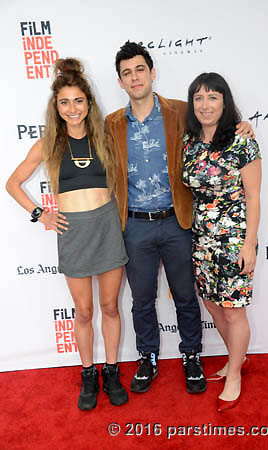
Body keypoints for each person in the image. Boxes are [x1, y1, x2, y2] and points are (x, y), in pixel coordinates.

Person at [104, 41, 254, 394]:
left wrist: (242, 124)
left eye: (140, 69)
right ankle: (147, 357)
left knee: (186, 295)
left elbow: (215, 117)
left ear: (152, 73)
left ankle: (191, 356)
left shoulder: (181, 111)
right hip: (135, 224)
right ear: (121, 81)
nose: (135, 77)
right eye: (127, 73)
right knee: (141, 298)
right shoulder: (111, 124)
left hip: (178, 222)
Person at [6, 58, 128, 410]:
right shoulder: (48, 144)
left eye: (78, 101)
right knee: (85, 310)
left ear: (88, 103)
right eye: (64, 102)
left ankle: (111, 370)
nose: (72, 109)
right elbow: (12, 184)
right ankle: (88, 374)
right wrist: (39, 213)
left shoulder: (105, 136)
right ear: (56, 107)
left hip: (106, 226)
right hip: (72, 231)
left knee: (109, 306)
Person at [182, 72, 261, 412]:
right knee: (213, 305)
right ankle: (236, 358)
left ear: (224, 101)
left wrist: (249, 244)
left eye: (213, 97)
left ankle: (235, 375)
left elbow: (254, 197)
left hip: (234, 239)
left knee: (233, 310)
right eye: (198, 98)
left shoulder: (243, 141)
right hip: (201, 239)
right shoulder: (189, 141)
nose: (205, 104)